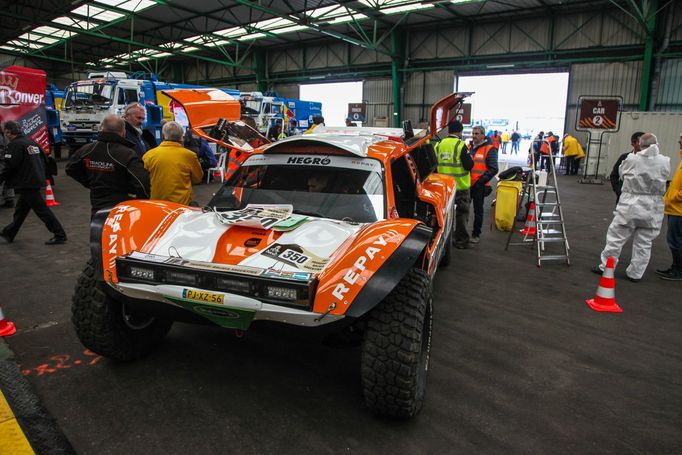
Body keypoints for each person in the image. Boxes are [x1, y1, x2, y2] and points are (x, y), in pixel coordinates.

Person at [591, 133, 670, 282]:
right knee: (644, 242)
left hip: (631, 203)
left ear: (640, 144)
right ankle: (635, 274)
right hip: (653, 205)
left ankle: (606, 267)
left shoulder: (631, 159)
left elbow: (621, 174)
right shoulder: (665, 161)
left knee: (616, 238)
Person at [66, 115, 150, 217]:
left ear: (103, 128)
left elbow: (70, 168)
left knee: (99, 230)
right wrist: (142, 201)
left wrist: (91, 182)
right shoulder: (127, 154)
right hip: (122, 205)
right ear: (123, 131)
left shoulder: (87, 150)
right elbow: (142, 182)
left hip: (98, 205)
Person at [0, 121, 67, 245]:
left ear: (8, 133)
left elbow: (10, 166)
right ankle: (9, 232)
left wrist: (1, 179)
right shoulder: (30, 142)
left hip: (27, 183)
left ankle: (60, 234)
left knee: (42, 210)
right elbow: (45, 159)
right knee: (21, 210)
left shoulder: (14, 145)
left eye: (5, 132)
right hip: (35, 180)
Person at [143, 121, 203, 205]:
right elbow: (198, 178)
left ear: (163, 136)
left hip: (157, 203)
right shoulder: (190, 156)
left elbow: (144, 179)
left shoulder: (149, 155)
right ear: (182, 137)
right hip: (182, 203)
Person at [435, 120, 474, 248]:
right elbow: (468, 166)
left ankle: (443, 240)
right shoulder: (460, 145)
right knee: (462, 214)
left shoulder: (439, 145)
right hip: (461, 187)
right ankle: (461, 241)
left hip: (444, 187)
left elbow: (434, 166)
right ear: (460, 131)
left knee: (444, 215)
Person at [655, 133, 682, 281]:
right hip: (675, 208)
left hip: (679, 210)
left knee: (675, 240)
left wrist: (672, 197)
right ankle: (676, 267)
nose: (678, 140)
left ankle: (679, 270)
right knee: (675, 239)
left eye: (681, 138)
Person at [468, 125, 498, 244]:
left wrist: (481, 181)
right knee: (463, 210)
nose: (474, 136)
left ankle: (476, 234)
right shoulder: (469, 147)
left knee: (478, 211)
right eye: (473, 133)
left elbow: (494, 168)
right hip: (467, 184)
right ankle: (462, 233)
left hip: (479, 186)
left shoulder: (489, 149)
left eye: (477, 134)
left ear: (483, 135)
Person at [610, 131, 644, 204]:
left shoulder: (651, 160)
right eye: (641, 142)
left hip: (642, 201)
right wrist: (619, 191)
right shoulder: (625, 158)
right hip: (624, 199)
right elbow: (614, 175)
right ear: (633, 143)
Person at [0, 126, 14, 208]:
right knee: (7, 180)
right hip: (6, 161)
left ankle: (9, 200)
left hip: (1, 162)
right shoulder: (4, 135)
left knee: (1, 181)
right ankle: (10, 200)